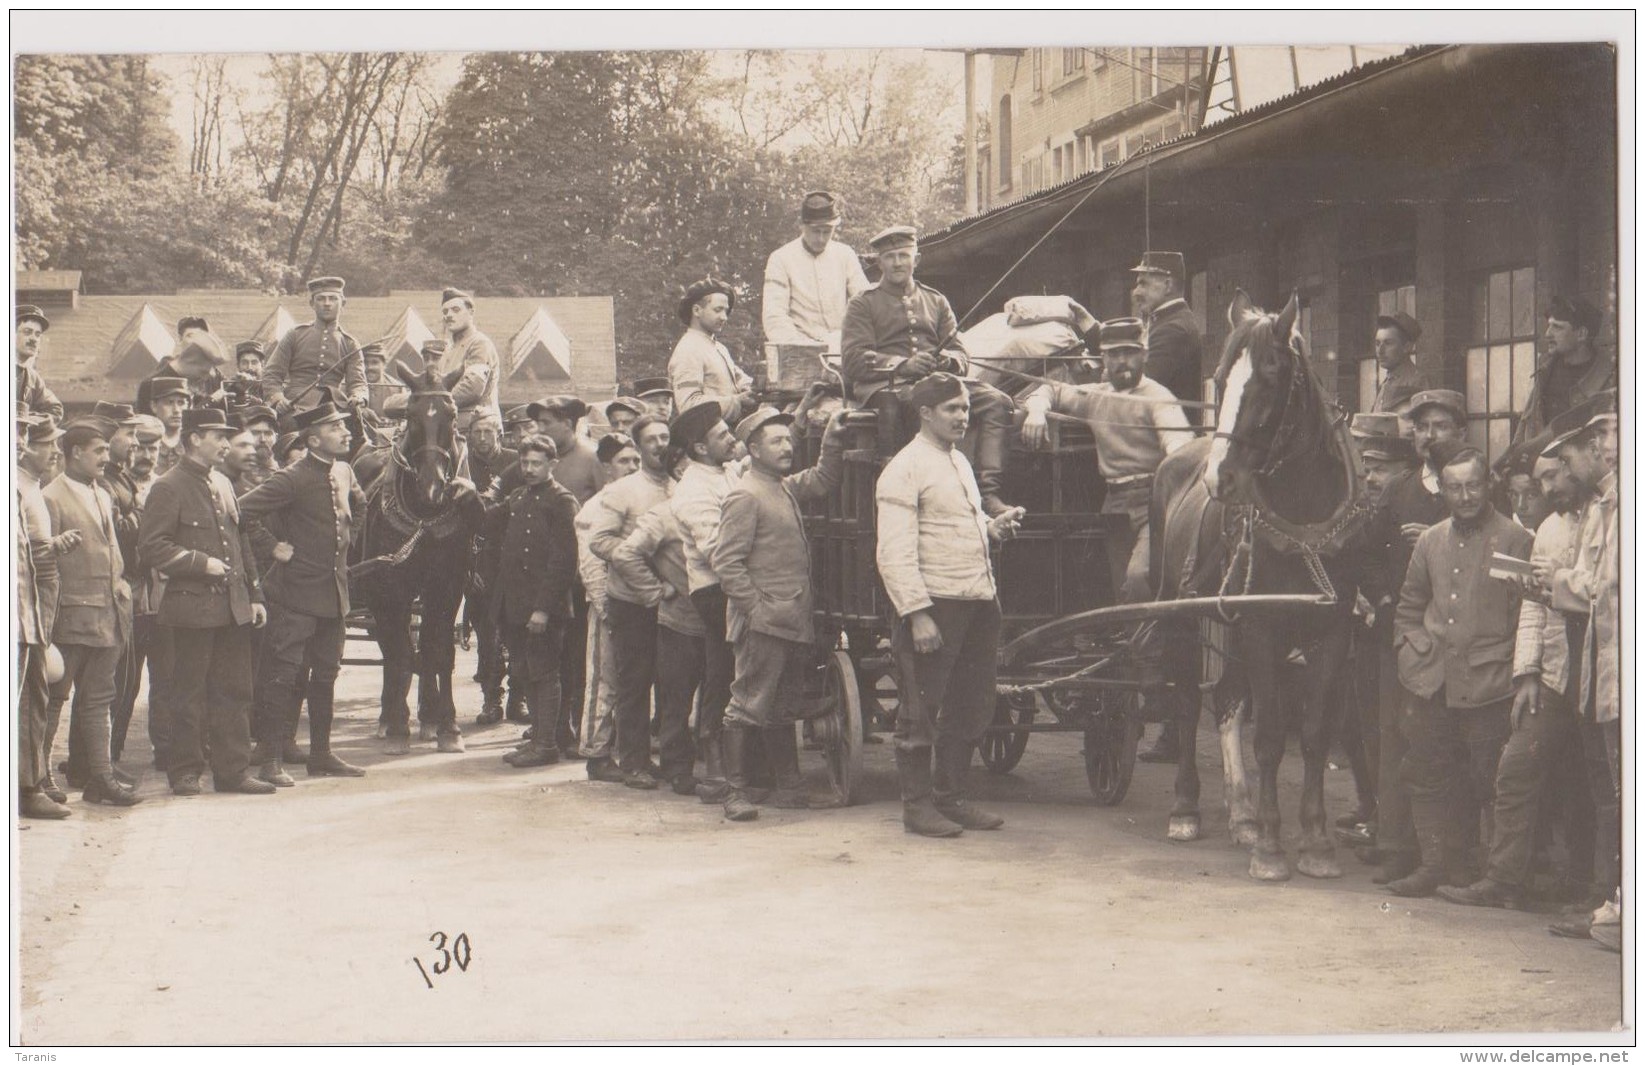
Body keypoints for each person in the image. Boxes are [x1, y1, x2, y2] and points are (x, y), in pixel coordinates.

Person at [1436, 450, 1593, 910]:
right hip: (1555, 674)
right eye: (1540, 480)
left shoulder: (1615, 518)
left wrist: (1565, 581)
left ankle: (1594, 890)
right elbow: (1533, 607)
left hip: (1604, 673)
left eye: (1552, 477)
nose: (1547, 490)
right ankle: (1503, 879)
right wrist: (1527, 674)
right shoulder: (1549, 529)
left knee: (1593, 783)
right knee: (1515, 768)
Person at [876, 373, 1025, 836]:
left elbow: (959, 520)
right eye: (952, 409)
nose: (963, 417)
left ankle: (952, 797)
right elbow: (893, 550)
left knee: (970, 705)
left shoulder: (958, 461)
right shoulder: (904, 468)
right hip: (935, 605)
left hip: (979, 598)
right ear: (925, 413)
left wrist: (992, 527)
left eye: (965, 409)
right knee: (921, 710)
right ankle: (917, 807)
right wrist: (917, 615)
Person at [1387, 444, 1532, 897]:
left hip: (1489, 685)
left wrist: (1511, 668)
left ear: (1488, 484)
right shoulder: (1430, 540)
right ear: (1443, 490)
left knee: (1485, 778)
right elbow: (1410, 605)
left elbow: (1525, 615)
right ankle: (1434, 865)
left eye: (1473, 485)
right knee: (1427, 771)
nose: (1465, 496)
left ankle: (1481, 873)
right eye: (1455, 488)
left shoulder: (1515, 540)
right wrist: (1409, 650)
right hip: (1432, 680)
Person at [710, 404, 849, 820]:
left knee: (781, 706)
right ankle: (733, 794)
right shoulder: (745, 495)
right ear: (753, 449)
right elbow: (726, 563)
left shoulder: (782, 486)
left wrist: (832, 439)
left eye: (789, 439)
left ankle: (789, 787)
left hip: (789, 619)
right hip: (764, 623)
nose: (787, 446)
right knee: (747, 705)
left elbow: (823, 479)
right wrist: (757, 609)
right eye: (776, 440)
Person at [137, 408, 274, 797]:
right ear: (195, 438)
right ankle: (185, 771)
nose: (226, 444)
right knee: (188, 694)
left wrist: (255, 596)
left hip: (233, 607)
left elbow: (241, 539)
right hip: (191, 609)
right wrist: (200, 564)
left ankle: (233, 772)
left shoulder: (223, 483)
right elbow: (151, 547)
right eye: (218, 436)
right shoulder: (168, 486)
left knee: (235, 691)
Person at [841, 225, 1015, 516]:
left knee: (997, 402)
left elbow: (961, 353)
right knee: (916, 403)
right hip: (888, 388)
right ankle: (917, 494)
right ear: (879, 262)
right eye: (890, 257)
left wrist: (947, 360)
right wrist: (902, 365)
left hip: (936, 383)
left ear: (916, 260)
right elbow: (853, 360)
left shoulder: (936, 301)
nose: (897, 263)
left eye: (904, 255)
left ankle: (987, 492)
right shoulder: (863, 303)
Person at [238, 402, 372, 776]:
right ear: (313, 439)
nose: (346, 432)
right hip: (294, 594)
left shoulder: (344, 471)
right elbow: (241, 511)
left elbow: (360, 507)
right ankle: (270, 760)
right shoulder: (292, 477)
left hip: (334, 592)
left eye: (343, 426)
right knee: (282, 675)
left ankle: (321, 755)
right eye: (336, 428)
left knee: (326, 674)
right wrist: (273, 547)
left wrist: (348, 538)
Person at [1020, 316, 1191, 602]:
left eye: (1130, 352)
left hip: (1155, 503)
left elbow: (1179, 445)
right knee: (1119, 591)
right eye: (1114, 354)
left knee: (1140, 581)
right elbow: (1051, 389)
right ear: (1103, 358)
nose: (1122, 361)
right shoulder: (1095, 396)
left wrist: (1175, 449)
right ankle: (1138, 646)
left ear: (1144, 354)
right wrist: (1037, 411)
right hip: (1115, 505)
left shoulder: (1159, 398)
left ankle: (1152, 646)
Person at [1540, 405, 1621, 946]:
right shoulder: (1602, 506)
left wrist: (1553, 578)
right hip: (1601, 671)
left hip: (1619, 673)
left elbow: (1603, 589)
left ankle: (1615, 907)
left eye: (1570, 459)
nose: (1566, 472)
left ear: (1601, 446)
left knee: (1619, 789)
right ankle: (1610, 905)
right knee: (1608, 787)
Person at [41, 420, 139, 807]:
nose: (105, 457)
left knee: (99, 699)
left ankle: (101, 777)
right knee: (54, 699)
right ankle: (39, 777)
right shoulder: (51, 497)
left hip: (109, 615)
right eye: (98, 450)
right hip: (70, 619)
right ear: (75, 452)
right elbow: (46, 564)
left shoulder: (103, 492)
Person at [586, 414, 674, 789]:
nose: (660, 445)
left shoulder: (678, 486)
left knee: (671, 682)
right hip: (631, 602)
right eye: (651, 439)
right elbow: (599, 541)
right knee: (633, 683)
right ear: (638, 447)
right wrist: (641, 567)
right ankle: (634, 761)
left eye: (665, 437)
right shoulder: (622, 491)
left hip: (674, 602)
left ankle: (667, 759)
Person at [481, 435, 580, 768]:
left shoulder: (562, 501)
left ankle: (546, 744)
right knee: (524, 671)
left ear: (552, 465)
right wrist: (468, 496)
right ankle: (537, 740)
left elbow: (563, 562)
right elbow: (486, 520)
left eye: (537, 463)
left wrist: (543, 608)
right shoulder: (519, 496)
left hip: (542, 608)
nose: (529, 469)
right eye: (525, 463)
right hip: (515, 605)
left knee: (544, 673)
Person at [667, 400, 743, 802]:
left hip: (738, 581)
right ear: (699, 449)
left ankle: (728, 764)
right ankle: (716, 766)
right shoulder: (693, 491)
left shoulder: (727, 470)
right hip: (716, 589)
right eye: (721, 435)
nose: (731, 437)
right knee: (725, 669)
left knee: (723, 668)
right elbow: (719, 552)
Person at [610, 489, 706, 796]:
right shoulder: (664, 515)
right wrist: (654, 591)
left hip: (719, 620)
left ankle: (719, 766)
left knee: (717, 697)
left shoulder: (720, 504)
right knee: (675, 699)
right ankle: (677, 769)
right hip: (679, 621)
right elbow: (625, 554)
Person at [574, 433, 640, 783]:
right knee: (604, 681)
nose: (631, 467)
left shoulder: (645, 499)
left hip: (640, 604)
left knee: (635, 683)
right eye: (623, 461)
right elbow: (591, 567)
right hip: (609, 606)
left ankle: (632, 752)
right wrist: (606, 608)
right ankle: (596, 754)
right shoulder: (595, 509)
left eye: (635, 461)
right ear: (606, 467)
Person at [18, 412, 66, 818]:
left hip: (34, 599)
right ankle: (26, 788)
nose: (54, 451)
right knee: (23, 698)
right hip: (21, 605)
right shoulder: (15, 486)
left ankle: (31, 784)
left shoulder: (30, 486)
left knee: (35, 694)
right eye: (47, 443)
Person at [761, 190, 871, 350]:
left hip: (843, 348)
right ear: (802, 226)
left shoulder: (845, 254)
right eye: (815, 231)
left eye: (827, 232)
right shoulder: (781, 259)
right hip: (799, 350)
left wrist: (849, 339)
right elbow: (774, 315)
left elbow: (865, 302)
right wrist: (801, 347)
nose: (821, 238)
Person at [466, 412, 519, 726]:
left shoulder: (515, 461)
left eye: (488, 431)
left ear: (499, 434)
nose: (482, 438)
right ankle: (491, 698)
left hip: (513, 555)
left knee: (517, 630)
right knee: (487, 632)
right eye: (477, 432)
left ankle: (518, 698)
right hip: (477, 558)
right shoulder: (461, 463)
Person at [1512, 297, 1616, 449]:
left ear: (1581, 334)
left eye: (1558, 327)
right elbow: (1526, 423)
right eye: (1549, 326)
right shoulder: (1546, 370)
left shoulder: (1610, 378)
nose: (1547, 334)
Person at [261, 276, 371, 418]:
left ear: (342, 303)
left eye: (333, 298)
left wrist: (358, 397)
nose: (327, 303)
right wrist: (278, 399)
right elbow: (272, 374)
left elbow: (358, 382)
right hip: (295, 405)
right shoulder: (294, 335)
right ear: (312, 303)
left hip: (335, 407)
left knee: (365, 433)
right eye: (321, 299)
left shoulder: (350, 343)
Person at [668, 277, 755, 422]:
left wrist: (753, 388)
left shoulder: (718, 348)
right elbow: (689, 405)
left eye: (726, 311)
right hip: (707, 439)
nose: (724, 317)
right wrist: (737, 401)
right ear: (696, 310)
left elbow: (739, 378)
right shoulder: (688, 350)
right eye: (718, 310)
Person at [1128, 251, 1204, 408]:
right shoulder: (1167, 321)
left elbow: (1140, 389)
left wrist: (1113, 376)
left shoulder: (1173, 329)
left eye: (1143, 284)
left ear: (1168, 285)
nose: (1136, 292)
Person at [435, 288, 503, 432]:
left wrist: (433, 402)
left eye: (455, 310)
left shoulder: (479, 343)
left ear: (471, 312)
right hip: (451, 428)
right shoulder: (447, 350)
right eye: (445, 312)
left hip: (480, 430)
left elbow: (472, 388)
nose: (449, 315)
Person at [152, 316, 229, 407]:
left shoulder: (213, 373)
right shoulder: (168, 369)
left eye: (200, 337)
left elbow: (227, 388)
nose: (195, 342)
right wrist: (212, 400)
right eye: (190, 336)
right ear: (180, 340)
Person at [1369, 311, 1432, 417]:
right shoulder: (1387, 382)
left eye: (1388, 343)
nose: (1380, 350)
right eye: (1377, 343)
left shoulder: (1416, 382)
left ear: (1407, 347)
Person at [16, 304, 64, 422]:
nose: (34, 339)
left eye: (38, 334)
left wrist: (28, 420)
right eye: (27, 332)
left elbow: (55, 410)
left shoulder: (31, 377)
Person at [147, 376, 192, 477]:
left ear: (188, 406)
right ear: (154, 406)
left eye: (181, 403)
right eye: (169, 402)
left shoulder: (194, 445)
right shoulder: (145, 444)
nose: (176, 410)